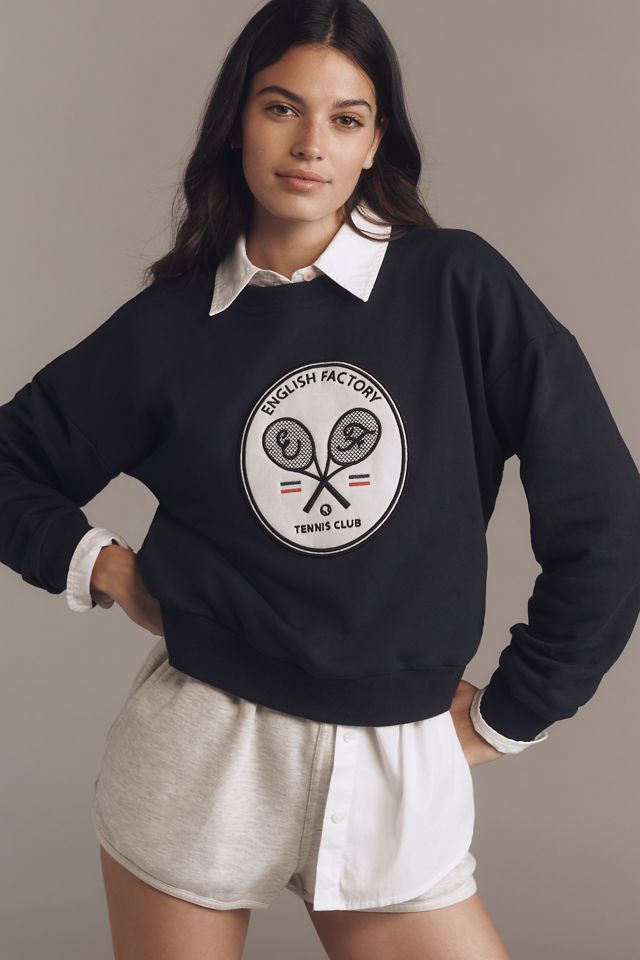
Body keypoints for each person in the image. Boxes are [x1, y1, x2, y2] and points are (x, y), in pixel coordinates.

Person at [2, 1, 639, 958]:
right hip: (199, 752)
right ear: (237, 122)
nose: (311, 145)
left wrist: (514, 712)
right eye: (281, 108)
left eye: (345, 118)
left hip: (394, 762)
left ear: (377, 142)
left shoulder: (458, 288)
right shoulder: (173, 326)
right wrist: (107, 569)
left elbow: (608, 520)